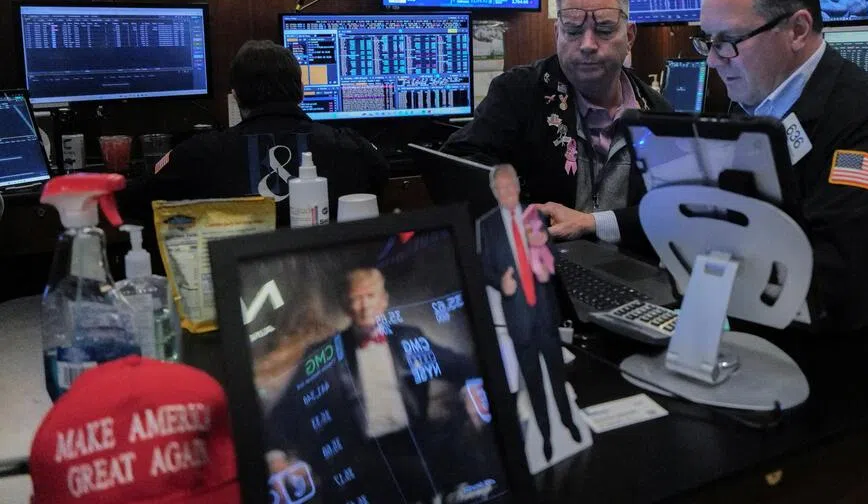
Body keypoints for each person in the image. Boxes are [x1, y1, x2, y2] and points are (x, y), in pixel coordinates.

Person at [697, 0, 868, 350]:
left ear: (798, 29)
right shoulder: (749, 106)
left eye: (728, 42)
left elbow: (840, 286)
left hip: (838, 361)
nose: (713, 61)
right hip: (755, 325)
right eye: (708, 42)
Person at [444, 0, 671, 255]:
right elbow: (458, 167)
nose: (587, 44)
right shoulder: (519, 92)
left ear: (629, 37)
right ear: (557, 34)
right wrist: (527, 215)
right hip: (541, 262)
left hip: (632, 272)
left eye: (604, 29)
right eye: (573, 31)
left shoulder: (658, 114)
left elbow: (671, 210)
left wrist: (593, 223)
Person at [266, 265, 496, 504]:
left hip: (415, 447)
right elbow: (283, 413)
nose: (364, 307)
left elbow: (462, 366)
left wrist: (471, 387)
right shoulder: (324, 353)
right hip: (363, 458)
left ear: (383, 300)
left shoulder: (410, 337)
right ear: (346, 306)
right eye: (356, 299)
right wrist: (275, 459)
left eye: (370, 296)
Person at [123, 40, 388, 226]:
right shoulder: (352, 148)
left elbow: (136, 200)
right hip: (329, 289)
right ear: (302, 91)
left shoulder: (196, 153)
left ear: (236, 97)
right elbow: (381, 181)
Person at [478, 164, 580, 462]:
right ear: (495, 192)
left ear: (518, 188)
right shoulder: (488, 225)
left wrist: (541, 250)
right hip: (518, 319)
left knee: (556, 377)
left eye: (511, 187)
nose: (507, 193)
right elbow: (484, 265)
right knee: (532, 382)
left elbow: (552, 264)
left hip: (545, 314)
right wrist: (500, 282)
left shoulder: (533, 217)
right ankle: (546, 437)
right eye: (501, 189)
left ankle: (569, 422)